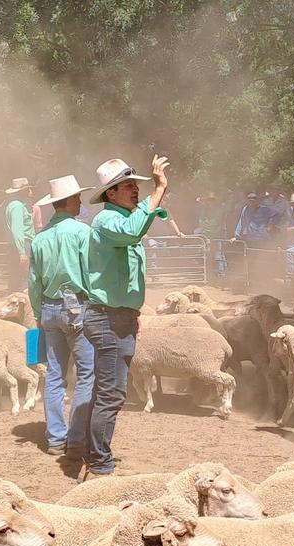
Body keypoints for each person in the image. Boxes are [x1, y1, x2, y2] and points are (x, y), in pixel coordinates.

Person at [83, 154, 171, 476]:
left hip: (117, 317)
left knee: (106, 391)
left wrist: (131, 314)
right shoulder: (108, 222)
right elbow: (134, 231)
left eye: (136, 185)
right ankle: (100, 464)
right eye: (128, 186)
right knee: (112, 393)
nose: (135, 190)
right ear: (111, 193)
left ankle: (93, 453)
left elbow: (136, 229)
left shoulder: (119, 221)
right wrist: (159, 189)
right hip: (108, 319)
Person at [29, 175, 97, 459]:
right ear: (68, 201)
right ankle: (78, 438)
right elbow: (91, 273)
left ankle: (56, 438)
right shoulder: (83, 233)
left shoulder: (39, 238)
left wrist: (37, 314)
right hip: (77, 307)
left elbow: (33, 282)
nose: (80, 201)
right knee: (87, 373)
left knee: (55, 375)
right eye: (77, 197)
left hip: (48, 308)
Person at [4, 177, 35, 291]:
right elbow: (17, 229)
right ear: (22, 191)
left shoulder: (15, 205)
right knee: (24, 277)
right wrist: (21, 252)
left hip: (20, 245)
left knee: (18, 276)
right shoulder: (17, 206)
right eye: (28, 190)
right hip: (23, 245)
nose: (31, 192)